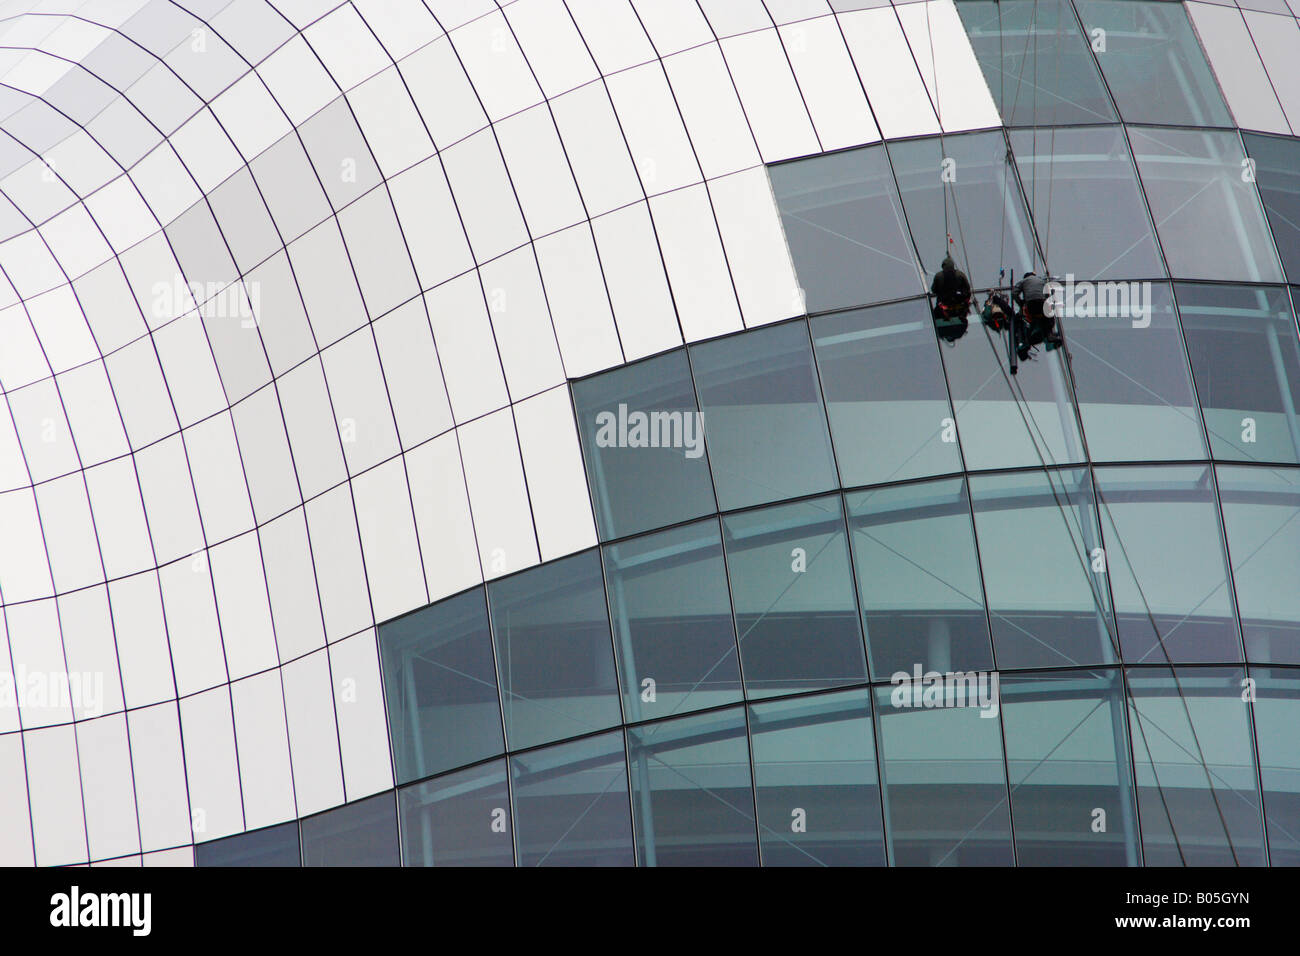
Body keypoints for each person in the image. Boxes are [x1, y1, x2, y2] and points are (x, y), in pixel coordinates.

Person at [1012, 271, 1062, 360]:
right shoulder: (1041, 281)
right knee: (1048, 317)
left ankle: (1027, 340)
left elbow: (1014, 293)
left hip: (1031, 305)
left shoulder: (1023, 281)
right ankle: (1049, 335)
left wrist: (1020, 303)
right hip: (1042, 302)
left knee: (1033, 318)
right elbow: (1049, 293)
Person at [930, 256, 972, 321]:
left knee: (934, 317)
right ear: (953, 265)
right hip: (959, 306)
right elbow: (967, 289)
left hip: (943, 306)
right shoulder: (960, 274)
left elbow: (934, 290)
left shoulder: (938, 276)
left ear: (943, 266)